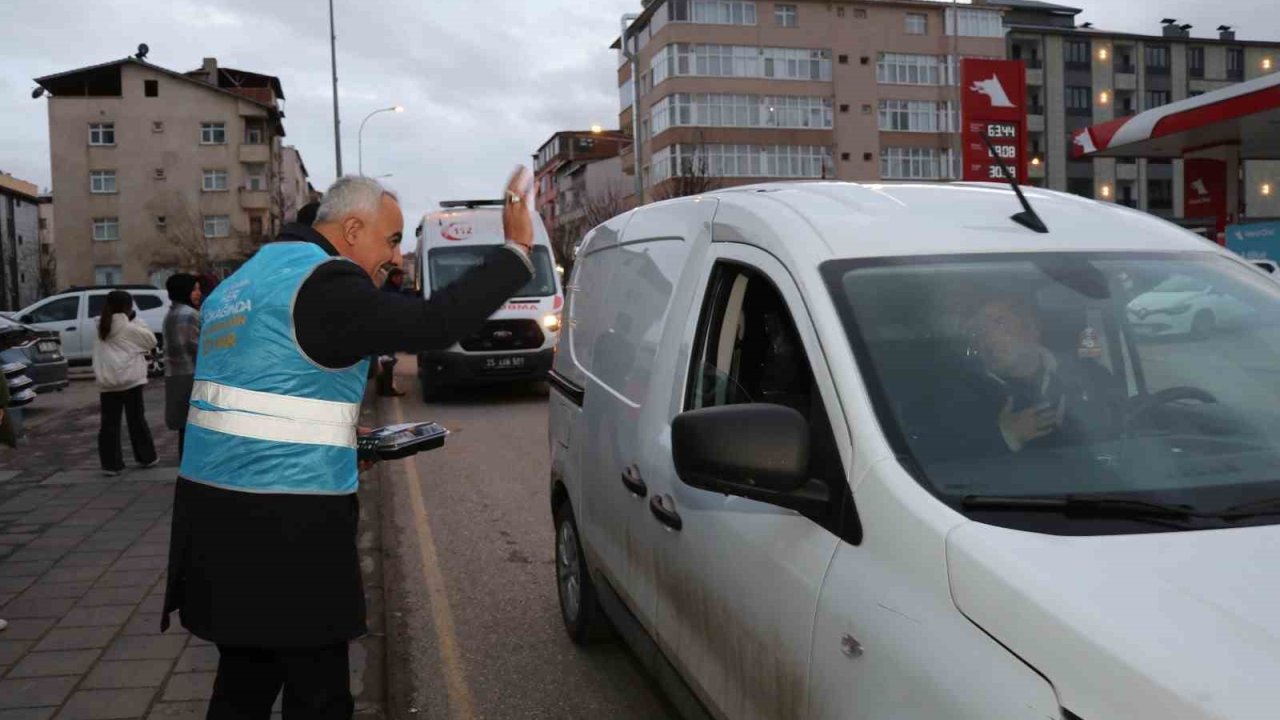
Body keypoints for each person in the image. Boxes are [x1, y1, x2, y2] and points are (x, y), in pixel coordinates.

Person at [162, 169, 536, 719]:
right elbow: (434, 323)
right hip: (286, 530)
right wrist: (516, 249)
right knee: (320, 695)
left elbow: (259, 395)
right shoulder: (325, 282)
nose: (394, 256)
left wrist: (344, 436)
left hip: (212, 521)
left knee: (245, 679)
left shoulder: (247, 278)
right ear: (353, 229)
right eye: (390, 240)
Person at [941, 298, 1117, 457]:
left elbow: (1124, 433)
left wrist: (1088, 422)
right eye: (979, 331)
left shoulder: (1090, 375)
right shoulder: (961, 392)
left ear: (1032, 328)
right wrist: (1006, 437)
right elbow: (944, 460)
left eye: (998, 322)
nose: (987, 337)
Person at [92, 290, 160, 475]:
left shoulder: (100, 327)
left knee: (109, 424)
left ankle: (110, 464)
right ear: (128, 307)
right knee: (136, 420)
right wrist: (135, 320)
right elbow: (151, 341)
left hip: (107, 383)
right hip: (131, 380)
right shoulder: (129, 327)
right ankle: (146, 457)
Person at [163, 274, 203, 459]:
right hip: (192, 377)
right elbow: (199, 348)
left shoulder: (170, 314)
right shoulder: (189, 314)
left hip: (175, 377)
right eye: (194, 289)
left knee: (184, 429)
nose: (198, 293)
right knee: (195, 427)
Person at [375, 268, 413, 397]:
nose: (401, 279)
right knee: (387, 361)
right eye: (399, 277)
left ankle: (383, 389)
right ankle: (386, 390)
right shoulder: (388, 291)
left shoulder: (391, 290)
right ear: (392, 278)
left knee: (386, 361)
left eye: (402, 277)